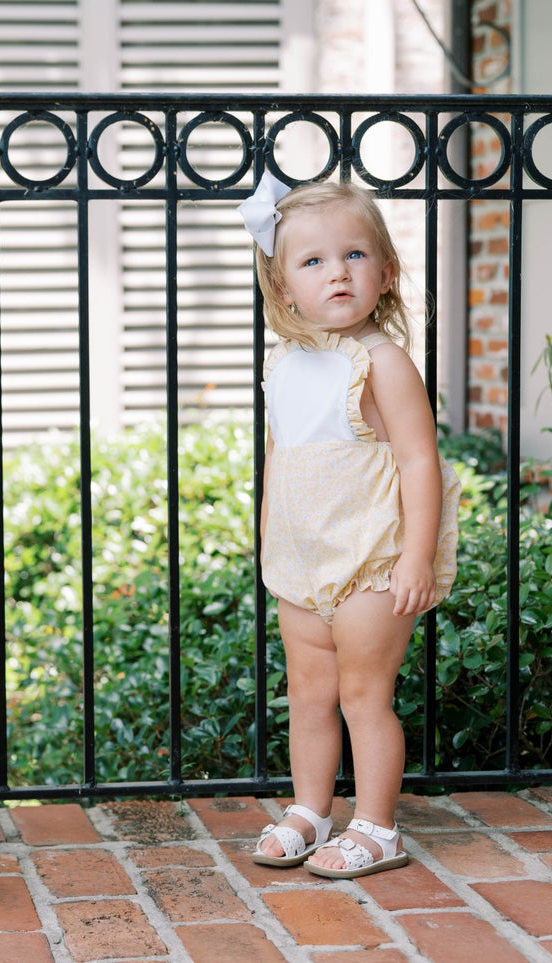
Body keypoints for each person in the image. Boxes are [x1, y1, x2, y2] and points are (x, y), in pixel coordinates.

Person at [238, 174, 459, 879]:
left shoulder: (383, 363)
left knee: (364, 694)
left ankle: (376, 824)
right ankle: (310, 808)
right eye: (312, 261)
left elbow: (420, 462)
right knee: (308, 694)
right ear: (283, 289)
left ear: (385, 272)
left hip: (369, 560)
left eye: (353, 255)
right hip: (300, 565)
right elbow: (279, 457)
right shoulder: (284, 365)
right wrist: (269, 535)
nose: (336, 271)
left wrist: (415, 557)